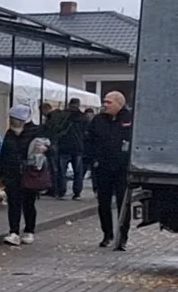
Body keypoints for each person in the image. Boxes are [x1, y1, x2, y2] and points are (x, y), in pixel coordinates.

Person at [0, 104, 48, 246]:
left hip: (29, 173)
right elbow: (4, 152)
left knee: (28, 203)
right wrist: (0, 173)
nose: (12, 122)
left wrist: (45, 149)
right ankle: (13, 231)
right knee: (13, 203)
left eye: (15, 119)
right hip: (12, 172)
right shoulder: (10, 133)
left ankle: (29, 230)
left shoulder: (36, 131)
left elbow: (50, 148)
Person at [89, 90, 135, 250]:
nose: (104, 105)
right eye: (104, 102)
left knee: (123, 204)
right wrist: (93, 159)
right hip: (103, 168)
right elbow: (89, 140)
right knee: (103, 203)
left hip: (122, 170)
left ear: (119, 103)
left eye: (108, 102)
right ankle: (107, 234)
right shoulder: (98, 120)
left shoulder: (130, 119)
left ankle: (122, 237)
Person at [54, 99, 89, 199]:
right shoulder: (83, 117)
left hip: (63, 146)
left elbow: (56, 129)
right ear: (78, 105)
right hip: (78, 147)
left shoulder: (62, 116)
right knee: (78, 172)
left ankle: (61, 192)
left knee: (62, 171)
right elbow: (86, 133)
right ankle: (77, 193)